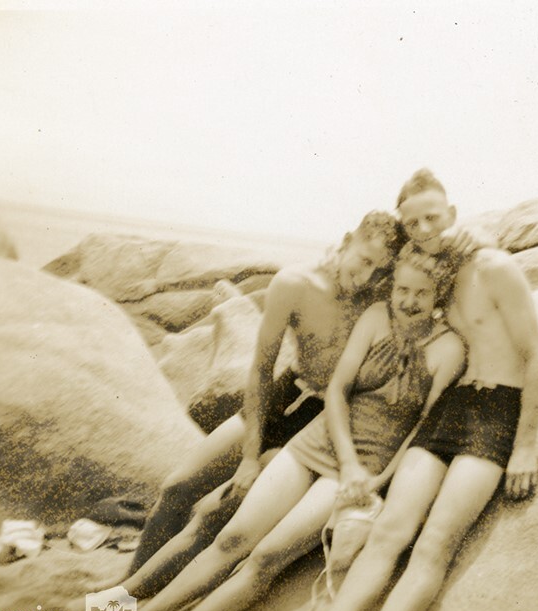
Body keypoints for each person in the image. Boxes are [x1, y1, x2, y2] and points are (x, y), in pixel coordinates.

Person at [137, 243, 467, 611]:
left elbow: (421, 431)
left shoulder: (449, 350)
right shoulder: (378, 317)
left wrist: (374, 481)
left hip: (362, 470)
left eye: (421, 293)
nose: (409, 301)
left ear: (439, 295)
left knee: (267, 556)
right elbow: (338, 390)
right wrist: (346, 460)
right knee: (231, 538)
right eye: (402, 290)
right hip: (320, 442)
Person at [301, 168, 538, 611]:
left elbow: (537, 355)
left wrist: (524, 445)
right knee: (391, 530)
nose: (422, 230)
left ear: (452, 214)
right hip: (454, 405)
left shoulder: (495, 267)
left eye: (432, 218)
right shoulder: (441, 271)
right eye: (411, 223)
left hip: (498, 409)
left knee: (435, 541)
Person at [123, 210, 405, 582]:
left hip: (323, 417)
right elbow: (261, 368)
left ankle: (138, 596)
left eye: (381, 270)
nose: (368, 277)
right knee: (177, 487)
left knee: (217, 512)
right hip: (286, 394)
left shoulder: (382, 297)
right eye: (365, 261)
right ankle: (123, 586)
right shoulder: (295, 284)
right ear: (347, 240)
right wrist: (249, 457)